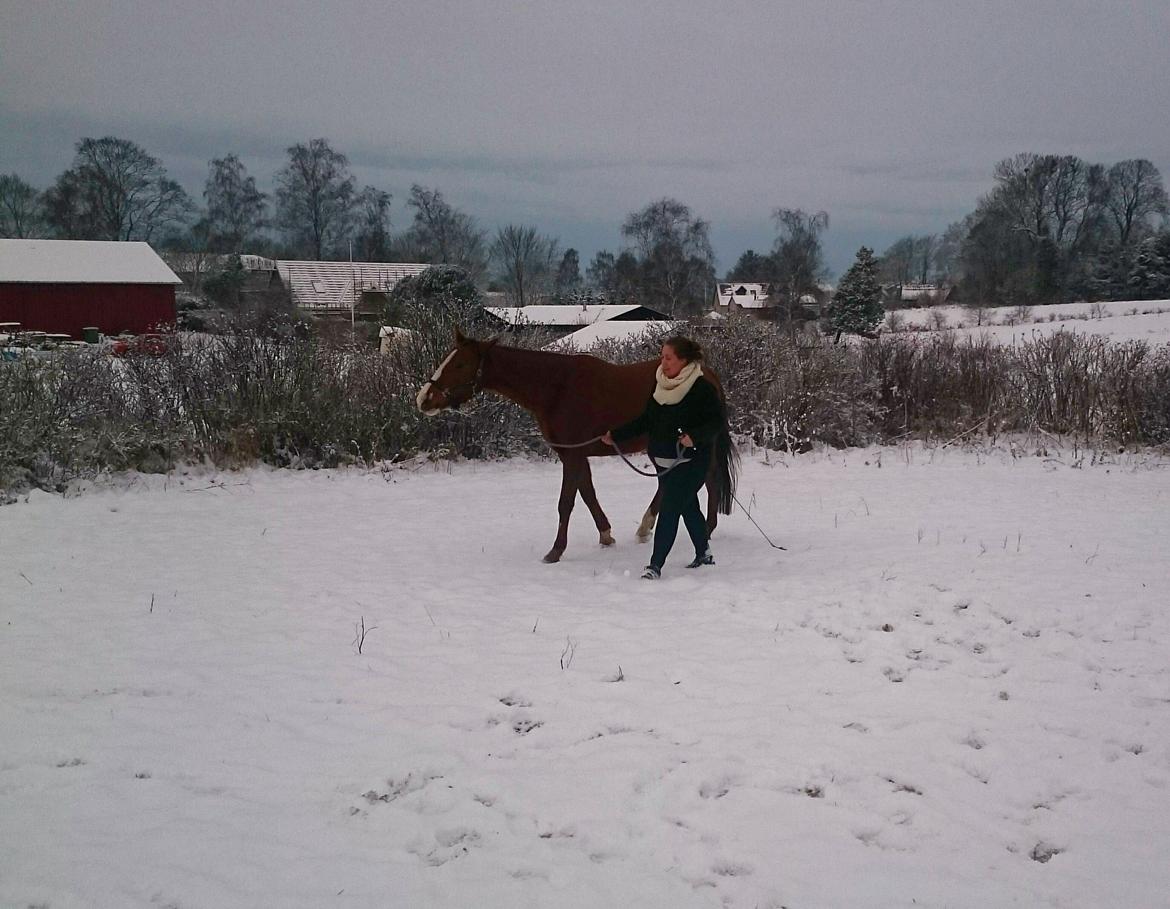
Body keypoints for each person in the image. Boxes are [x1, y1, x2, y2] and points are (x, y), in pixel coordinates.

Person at [602, 336, 725, 580]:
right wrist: (615, 435)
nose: (664, 362)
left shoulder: (701, 388)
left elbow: (716, 422)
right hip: (665, 463)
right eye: (662, 357)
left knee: (669, 508)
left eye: (668, 358)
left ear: (683, 360)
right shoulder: (660, 385)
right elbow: (647, 420)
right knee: (688, 506)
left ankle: (655, 565)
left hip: (691, 461)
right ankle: (704, 553)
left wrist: (695, 436)